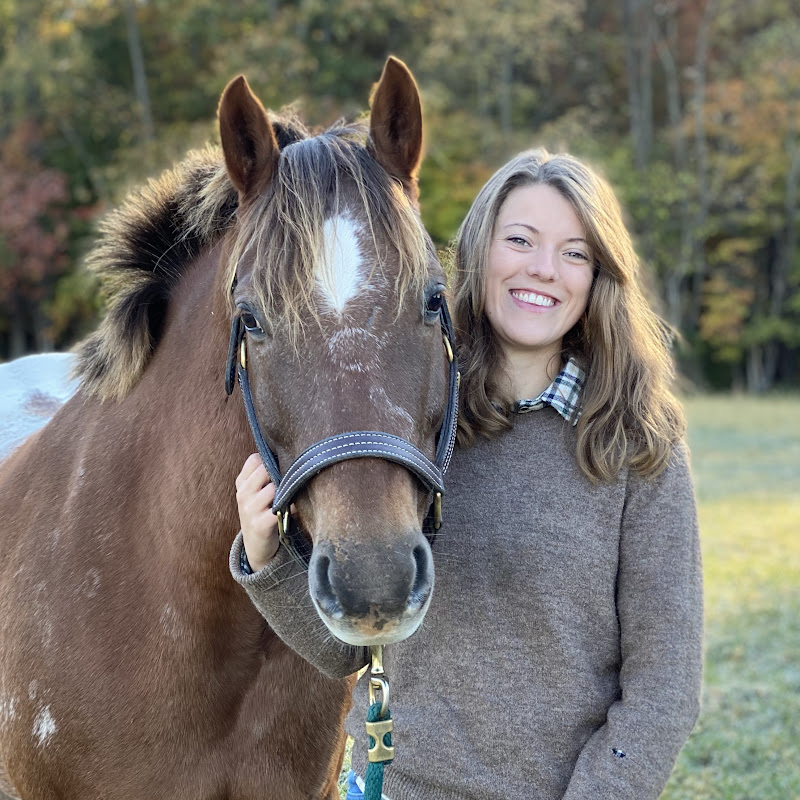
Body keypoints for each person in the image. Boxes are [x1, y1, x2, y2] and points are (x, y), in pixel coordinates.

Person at [230, 149, 703, 799]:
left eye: (574, 252)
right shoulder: (413, 430)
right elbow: (351, 649)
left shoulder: (638, 443)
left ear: (599, 275)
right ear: (480, 251)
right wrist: (267, 560)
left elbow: (665, 686)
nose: (543, 268)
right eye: (521, 240)